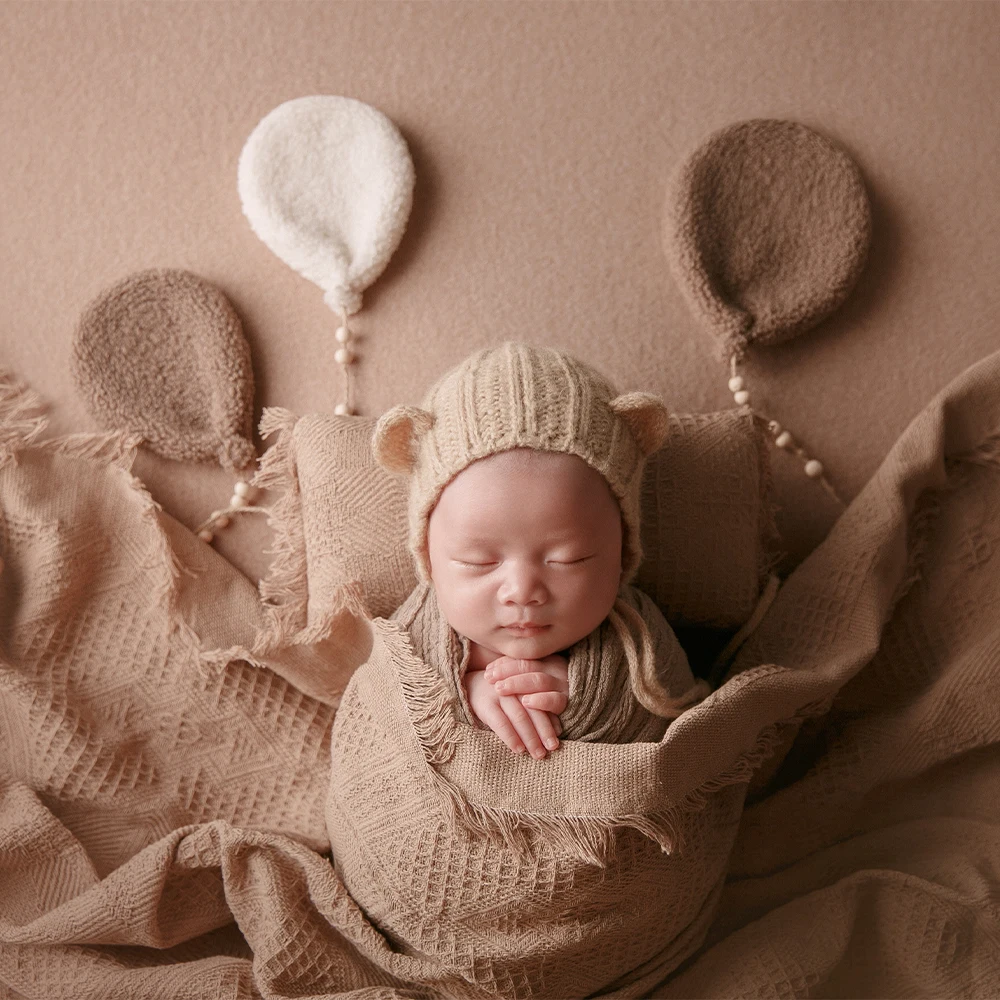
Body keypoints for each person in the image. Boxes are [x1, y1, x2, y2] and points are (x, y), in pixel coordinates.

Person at [372, 340, 707, 761]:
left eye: (570, 559)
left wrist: (594, 698)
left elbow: (687, 720)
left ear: (621, 552)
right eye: (479, 561)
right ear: (430, 559)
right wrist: (459, 697)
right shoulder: (408, 644)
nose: (522, 590)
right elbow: (373, 720)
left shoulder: (639, 641)